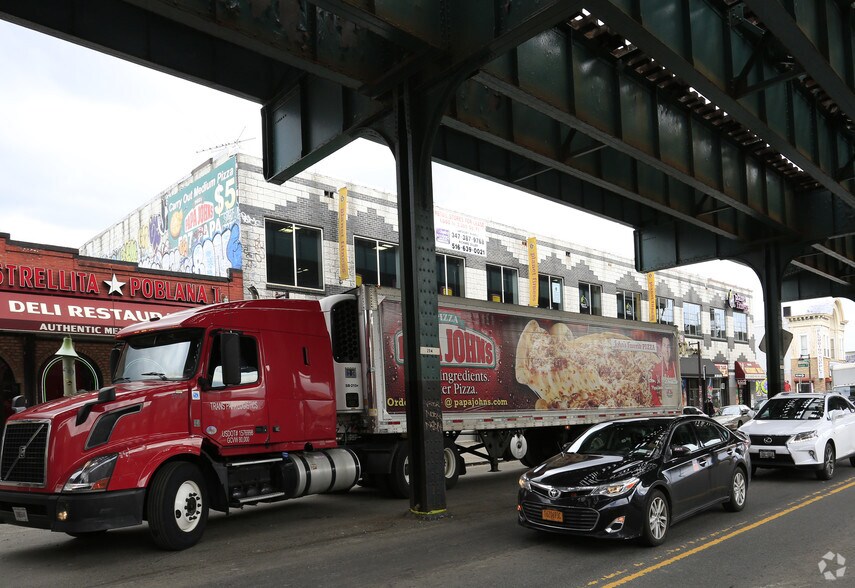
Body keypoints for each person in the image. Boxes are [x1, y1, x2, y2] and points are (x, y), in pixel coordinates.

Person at [649, 336, 677, 407]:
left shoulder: (676, 366)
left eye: (669, 346)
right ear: (661, 349)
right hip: (661, 407)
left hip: (674, 406)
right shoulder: (656, 368)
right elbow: (652, 390)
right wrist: (659, 405)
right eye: (664, 346)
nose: (667, 350)